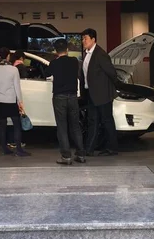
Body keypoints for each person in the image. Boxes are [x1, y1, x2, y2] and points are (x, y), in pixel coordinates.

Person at [45, 38, 85, 165]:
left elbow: (46, 74)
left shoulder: (54, 63)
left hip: (59, 97)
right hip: (73, 97)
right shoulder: (74, 61)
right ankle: (80, 155)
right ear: (67, 49)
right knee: (75, 126)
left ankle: (66, 157)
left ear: (56, 51)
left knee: (62, 127)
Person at [81, 28, 119, 156]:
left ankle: (112, 148)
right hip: (92, 94)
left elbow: (112, 73)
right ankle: (89, 149)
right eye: (83, 39)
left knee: (107, 121)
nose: (83, 41)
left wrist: (111, 88)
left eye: (85, 38)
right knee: (93, 121)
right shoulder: (86, 54)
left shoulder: (100, 54)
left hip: (103, 95)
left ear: (93, 39)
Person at [0, 47, 30, 157]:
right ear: (8, 56)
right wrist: (20, 102)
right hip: (11, 100)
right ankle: (18, 149)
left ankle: (4, 149)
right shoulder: (14, 70)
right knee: (16, 124)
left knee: (2, 125)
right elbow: (17, 87)